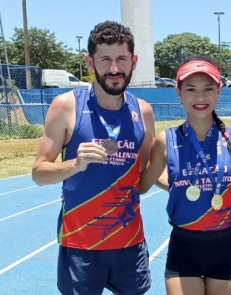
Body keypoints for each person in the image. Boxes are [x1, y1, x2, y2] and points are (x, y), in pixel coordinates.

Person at [32, 21, 154, 295]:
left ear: (133, 60)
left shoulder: (143, 111)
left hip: (129, 241)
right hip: (81, 245)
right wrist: (75, 164)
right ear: (90, 62)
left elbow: (143, 178)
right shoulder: (66, 106)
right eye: (105, 60)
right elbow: (39, 173)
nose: (114, 69)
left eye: (121, 59)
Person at [139, 55, 231, 295]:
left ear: (218, 91)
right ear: (178, 93)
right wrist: (176, 185)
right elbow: (142, 186)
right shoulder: (165, 141)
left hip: (226, 245)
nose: (200, 97)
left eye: (208, 89)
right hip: (184, 246)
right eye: (190, 89)